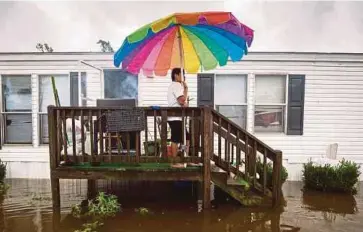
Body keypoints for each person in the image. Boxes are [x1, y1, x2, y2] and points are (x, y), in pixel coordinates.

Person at [167, 68, 190, 160]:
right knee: (176, 139)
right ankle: (175, 161)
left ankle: (185, 157)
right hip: (175, 117)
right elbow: (182, 101)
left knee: (186, 137)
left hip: (176, 117)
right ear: (176, 75)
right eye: (182, 74)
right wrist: (186, 89)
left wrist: (185, 89)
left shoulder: (175, 86)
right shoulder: (176, 85)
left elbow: (184, 104)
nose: (183, 77)